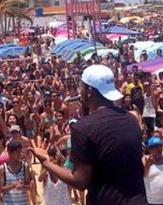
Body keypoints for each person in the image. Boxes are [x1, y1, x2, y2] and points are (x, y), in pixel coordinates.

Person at [30, 64, 147, 204]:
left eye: (82, 87)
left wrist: (47, 163)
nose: (80, 91)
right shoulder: (131, 120)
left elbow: (80, 181)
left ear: (89, 91)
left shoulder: (83, 128)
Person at [0, 140, 33, 205]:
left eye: (20, 151)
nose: (20, 154)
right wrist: (13, 185)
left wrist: (23, 186)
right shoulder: (2, 168)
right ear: (10, 153)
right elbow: (0, 189)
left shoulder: (25, 166)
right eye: (17, 152)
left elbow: (28, 185)